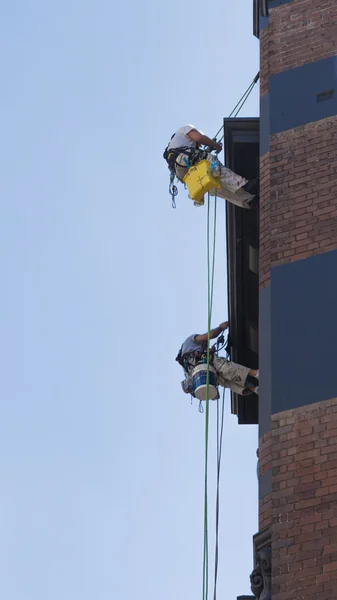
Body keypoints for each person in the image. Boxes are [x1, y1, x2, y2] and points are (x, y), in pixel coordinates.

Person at [164, 125, 259, 209]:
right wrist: (215, 145)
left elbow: (195, 158)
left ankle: (249, 200)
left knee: (214, 184)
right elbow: (199, 138)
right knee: (211, 164)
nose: (199, 146)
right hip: (183, 159)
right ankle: (245, 185)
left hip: (185, 173)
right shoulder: (185, 128)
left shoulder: (176, 144)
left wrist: (210, 148)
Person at [176, 321, 259, 397]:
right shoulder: (191, 340)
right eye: (205, 344)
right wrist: (221, 327)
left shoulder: (186, 365)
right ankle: (256, 374)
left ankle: (254, 389)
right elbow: (211, 335)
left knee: (223, 380)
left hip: (203, 371)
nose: (206, 346)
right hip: (204, 365)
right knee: (223, 366)